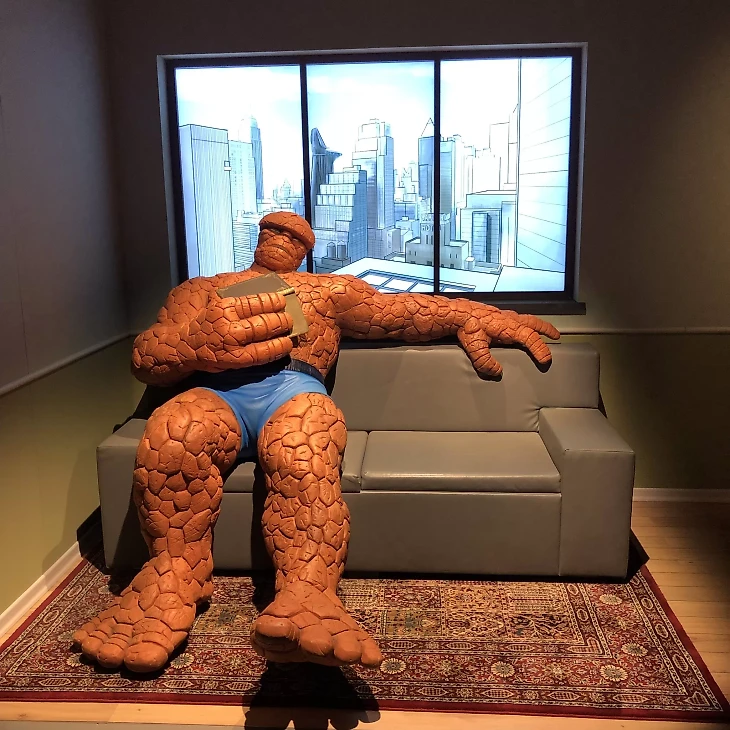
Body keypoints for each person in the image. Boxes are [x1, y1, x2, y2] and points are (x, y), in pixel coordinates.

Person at [73, 212, 559, 673]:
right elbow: (145, 355)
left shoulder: (327, 291)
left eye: (295, 238)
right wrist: (192, 343)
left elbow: (405, 312)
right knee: (174, 436)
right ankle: (172, 574)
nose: (281, 239)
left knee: (303, 451)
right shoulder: (201, 290)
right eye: (273, 231)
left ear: (305, 251)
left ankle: (309, 590)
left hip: (294, 389)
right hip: (213, 391)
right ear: (258, 235)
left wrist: (476, 314)